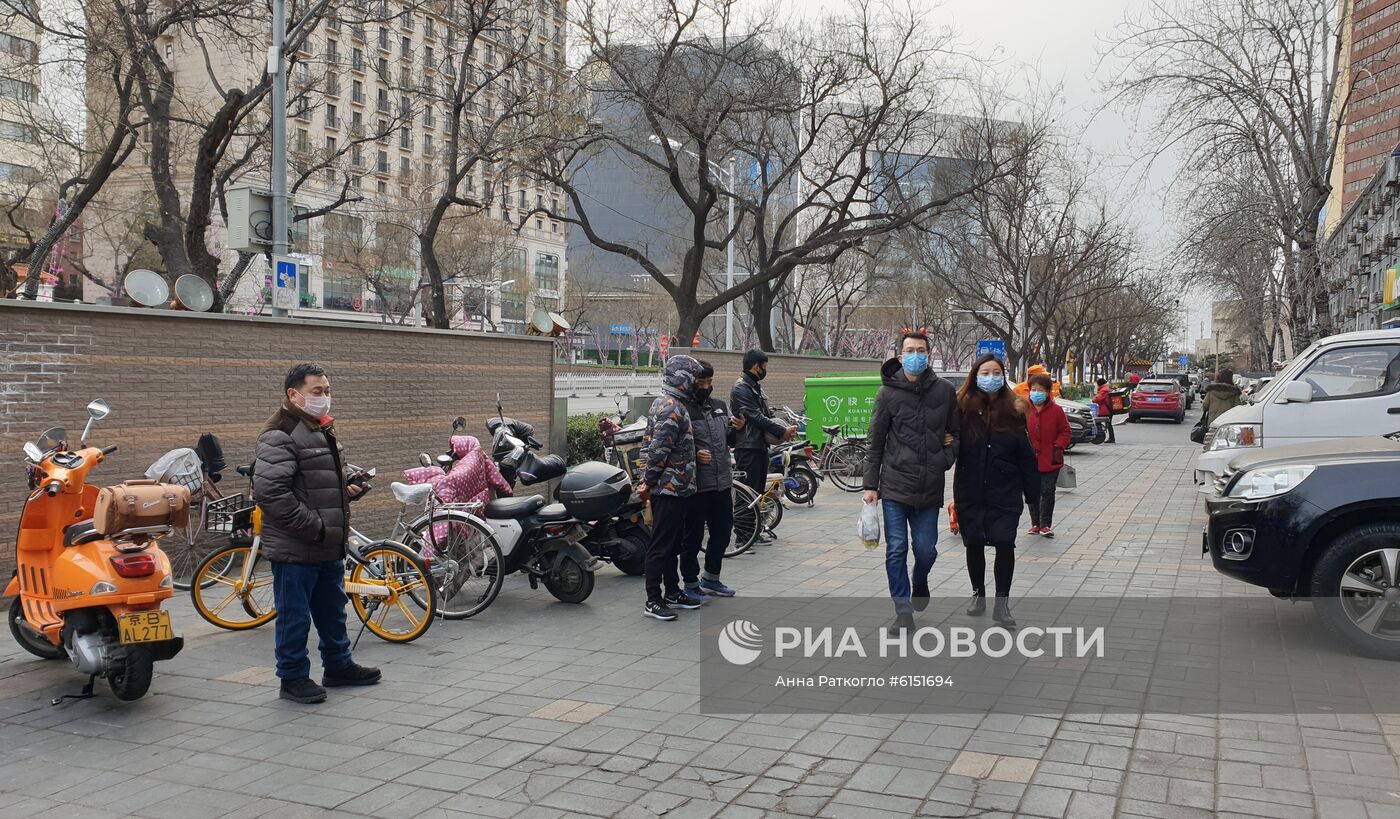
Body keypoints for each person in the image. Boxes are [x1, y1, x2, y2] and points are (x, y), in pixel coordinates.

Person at [253, 363, 379, 704]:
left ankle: (338, 665)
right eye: (316, 392)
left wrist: (347, 486)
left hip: (326, 543)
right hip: (298, 546)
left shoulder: (320, 426)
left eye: (327, 391)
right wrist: (315, 527)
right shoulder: (280, 432)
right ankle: (292, 678)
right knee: (294, 616)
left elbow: (318, 476)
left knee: (332, 609)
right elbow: (270, 492)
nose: (324, 398)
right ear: (293, 394)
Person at [862, 330, 960, 633]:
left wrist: (945, 459)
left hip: (929, 488)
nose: (915, 355)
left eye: (921, 350)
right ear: (900, 355)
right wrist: (870, 485)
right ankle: (902, 611)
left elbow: (955, 435)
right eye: (909, 350)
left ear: (928, 355)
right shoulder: (887, 393)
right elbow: (875, 441)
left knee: (926, 549)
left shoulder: (944, 391)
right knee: (896, 548)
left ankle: (920, 581)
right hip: (894, 485)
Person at [952, 354, 1040, 628]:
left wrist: (1032, 493)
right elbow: (947, 441)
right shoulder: (961, 407)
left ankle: (1002, 604)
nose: (991, 376)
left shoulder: (1015, 408)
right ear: (975, 376)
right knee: (974, 543)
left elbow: (1026, 455)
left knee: (1005, 543)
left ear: (1003, 377)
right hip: (970, 490)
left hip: (1005, 491)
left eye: (996, 372)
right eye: (985, 372)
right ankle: (978, 594)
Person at [638, 355, 705, 621]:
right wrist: (649, 482)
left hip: (678, 488)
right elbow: (658, 451)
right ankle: (653, 599)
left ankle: (672, 592)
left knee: (672, 544)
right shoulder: (670, 407)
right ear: (683, 379)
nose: (698, 386)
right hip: (668, 489)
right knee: (661, 545)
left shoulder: (672, 404)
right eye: (695, 380)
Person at [677, 360, 745, 602]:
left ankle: (711, 578)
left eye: (709, 382)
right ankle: (691, 583)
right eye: (701, 383)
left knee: (723, 533)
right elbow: (673, 444)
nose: (706, 387)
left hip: (722, 482)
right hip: (696, 485)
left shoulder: (719, 406)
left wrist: (737, 428)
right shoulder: (682, 409)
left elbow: (730, 441)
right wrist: (694, 453)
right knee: (692, 538)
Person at [730, 349, 794, 544]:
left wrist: (780, 426)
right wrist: (781, 432)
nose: (765, 370)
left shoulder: (755, 387)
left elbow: (765, 415)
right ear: (756, 366)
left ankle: (753, 533)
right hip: (747, 447)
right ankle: (743, 537)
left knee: (756, 493)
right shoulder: (741, 388)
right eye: (764, 366)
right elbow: (755, 417)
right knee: (746, 493)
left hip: (759, 446)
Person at [1024, 373, 1071, 539]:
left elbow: (1065, 431)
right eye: (1033, 389)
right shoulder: (1024, 408)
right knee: (1031, 491)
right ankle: (1035, 523)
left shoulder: (1056, 410)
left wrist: (1058, 446)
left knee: (1047, 491)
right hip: (1028, 460)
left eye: (1040, 390)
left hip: (1050, 459)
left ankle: (1045, 525)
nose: (1036, 393)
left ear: (1048, 392)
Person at [1092, 377, 1116, 443]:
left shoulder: (1103, 391)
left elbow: (1096, 399)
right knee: (1109, 424)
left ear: (1099, 384)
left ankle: (1095, 437)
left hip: (1104, 410)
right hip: (1109, 409)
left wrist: (1093, 398)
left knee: (1096, 422)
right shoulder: (1107, 389)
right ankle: (1111, 438)